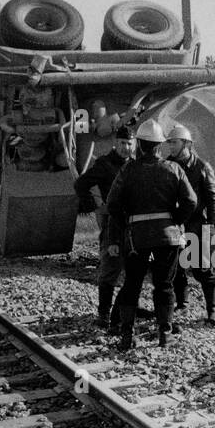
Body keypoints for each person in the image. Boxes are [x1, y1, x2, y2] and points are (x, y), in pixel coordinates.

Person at [106, 120, 198, 350]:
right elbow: (191, 201)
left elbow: (112, 203)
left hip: (137, 237)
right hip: (167, 237)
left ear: (140, 144)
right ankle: (165, 334)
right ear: (159, 146)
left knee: (132, 284)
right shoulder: (173, 169)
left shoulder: (128, 170)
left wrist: (126, 224)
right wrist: (175, 220)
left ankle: (127, 336)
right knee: (164, 285)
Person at [74, 124, 135, 330]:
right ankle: (103, 315)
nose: (126, 148)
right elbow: (81, 184)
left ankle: (124, 314)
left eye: (129, 144)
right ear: (115, 143)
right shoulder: (104, 164)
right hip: (112, 226)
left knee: (134, 273)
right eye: (123, 143)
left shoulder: (136, 165)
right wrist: (96, 207)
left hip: (134, 226)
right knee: (110, 271)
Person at [165, 124, 215, 326]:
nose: (171, 146)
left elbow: (212, 197)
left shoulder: (202, 167)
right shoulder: (167, 165)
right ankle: (182, 303)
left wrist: (212, 224)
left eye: (174, 142)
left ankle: (212, 310)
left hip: (198, 224)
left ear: (187, 144)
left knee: (203, 269)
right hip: (175, 223)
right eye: (169, 142)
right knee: (175, 266)